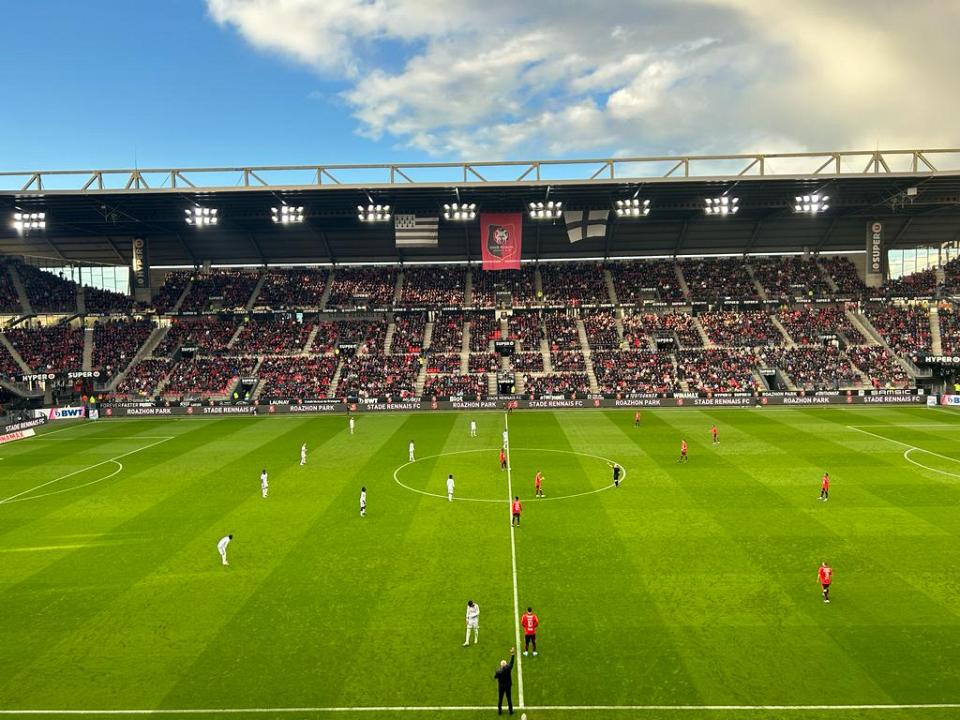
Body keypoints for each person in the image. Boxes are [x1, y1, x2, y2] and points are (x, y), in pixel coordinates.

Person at [493, 647, 515, 715]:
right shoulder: (508, 669)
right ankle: (511, 711)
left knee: (500, 699)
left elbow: (495, 677)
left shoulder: (498, 672)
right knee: (509, 699)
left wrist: (496, 674)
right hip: (508, 686)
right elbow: (511, 662)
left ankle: (499, 711)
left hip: (501, 687)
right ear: (505, 665)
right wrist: (512, 654)